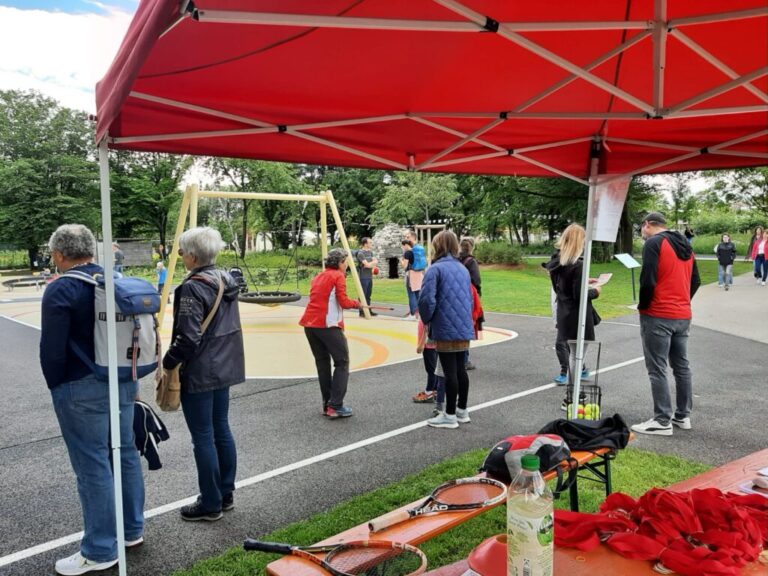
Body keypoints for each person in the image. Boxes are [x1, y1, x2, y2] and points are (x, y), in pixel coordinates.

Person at [40, 224, 145, 575]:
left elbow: (52, 350)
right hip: (122, 378)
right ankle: (131, 529)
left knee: (92, 465)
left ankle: (100, 549)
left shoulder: (62, 288)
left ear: (59, 254)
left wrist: (57, 386)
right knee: (125, 453)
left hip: (80, 385)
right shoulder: (114, 279)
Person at [163, 227, 245, 521]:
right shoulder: (225, 279)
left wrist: (168, 361)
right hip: (225, 365)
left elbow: (188, 337)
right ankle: (225, 493)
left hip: (200, 368)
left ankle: (210, 502)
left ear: (193, 256)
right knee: (221, 428)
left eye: (182, 252)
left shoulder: (192, 287)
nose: (181, 256)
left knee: (203, 437)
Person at [632, 212, 701, 437]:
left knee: (657, 367)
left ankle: (662, 419)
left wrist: (643, 305)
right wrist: (682, 300)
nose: (642, 233)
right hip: (682, 314)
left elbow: (648, 279)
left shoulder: (654, 243)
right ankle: (683, 415)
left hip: (658, 313)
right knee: (681, 366)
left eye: (641, 229)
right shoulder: (685, 245)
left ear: (647, 225)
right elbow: (696, 280)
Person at [418, 230, 475, 429]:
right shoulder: (463, 268)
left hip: (444, 325)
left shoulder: (435, 269)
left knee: (449, 372)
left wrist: (427, 320)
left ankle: (449, 415)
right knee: (460, 369)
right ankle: (461, 410)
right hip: (463, 324)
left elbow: (426, 300)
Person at [300, 248, 361, 418]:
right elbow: (344, 302)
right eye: (345, 262)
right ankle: (335, 405)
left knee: (323, 364)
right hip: (327, 325)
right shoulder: (338, 276)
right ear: (340, 262)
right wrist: (357, 304)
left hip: (310, 325)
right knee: (342, 362)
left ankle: (327, 405)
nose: (347, 265)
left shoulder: (319, 276)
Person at [546, 224, 600, 406]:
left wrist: (585, 281)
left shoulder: (556, 263)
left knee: (574, 356)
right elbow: (579, 295)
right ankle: (572, 396)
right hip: (577, 316)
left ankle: (573, 393)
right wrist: (595, 291)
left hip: (564, 313)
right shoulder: (577, 266)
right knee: (577, 357)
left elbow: (562, 288)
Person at [413, 317, 446, 416]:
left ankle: (429, 392)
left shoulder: (427, 310)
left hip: (429, 344)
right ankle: (434, 390)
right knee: (433, 369)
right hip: (432, 343)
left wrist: (421, 344)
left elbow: (427, 327)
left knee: (431, 370)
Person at [459, 237, 482, 370]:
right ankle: (465, 360)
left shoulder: (455, 260)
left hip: (456, 295)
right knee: (467, 326)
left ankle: (459, 357)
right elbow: (476, 280)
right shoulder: (471, 261)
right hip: (468, 297)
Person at [356, 237, 378, 317]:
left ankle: (368, 310)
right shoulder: (360, 254)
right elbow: (368, 264)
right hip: (363, 277)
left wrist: (369, 264)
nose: (371, 244)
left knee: (368, 295)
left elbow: (375, 262)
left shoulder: (370, 252)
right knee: (362, 295)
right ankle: (361, 312)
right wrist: (371, 263)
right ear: (365, 244)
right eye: (370, 242)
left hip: (369, 277)